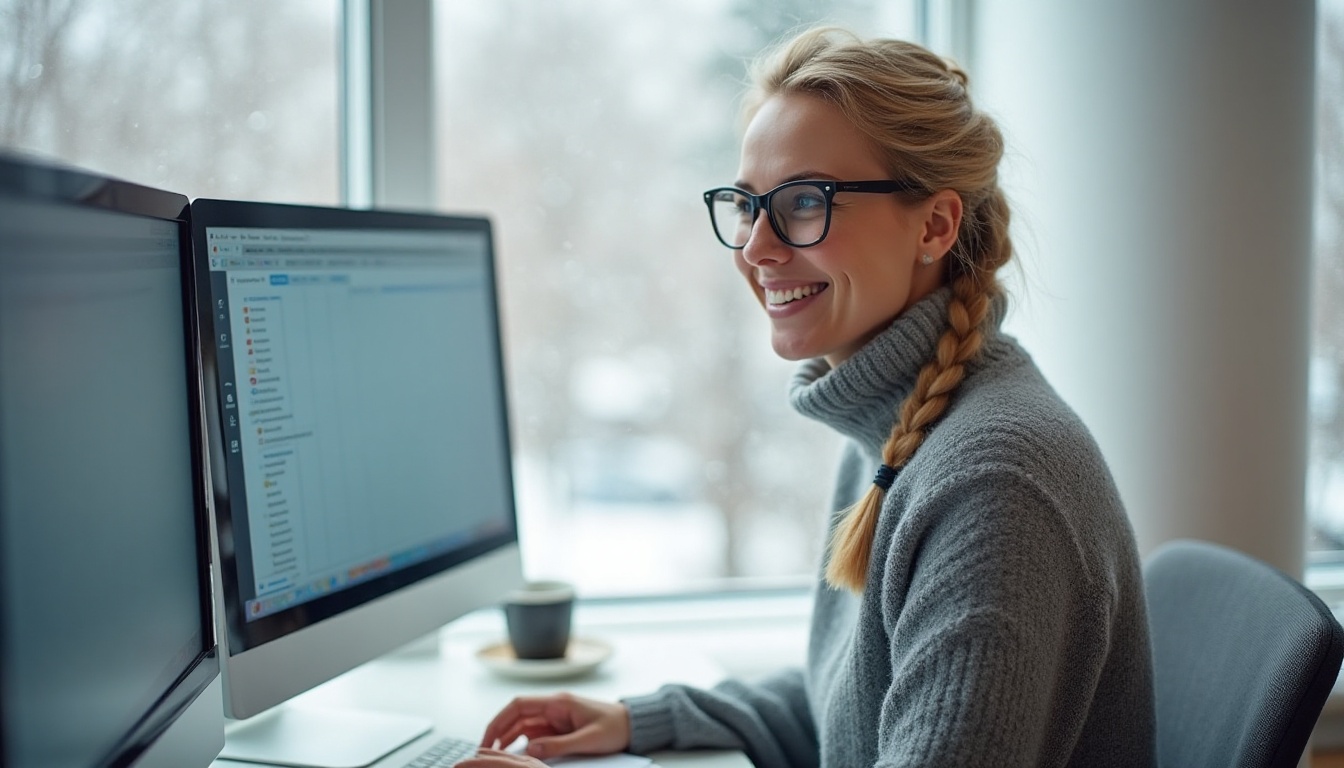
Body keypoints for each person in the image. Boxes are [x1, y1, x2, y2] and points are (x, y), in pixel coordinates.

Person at [460, 26, 1155, 768]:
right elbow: (852, 706)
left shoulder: (994, 484)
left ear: (936, 225)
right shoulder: (901, 430)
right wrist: (643, 720)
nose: (756, 248)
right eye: (745, 205)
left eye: (802, 201)